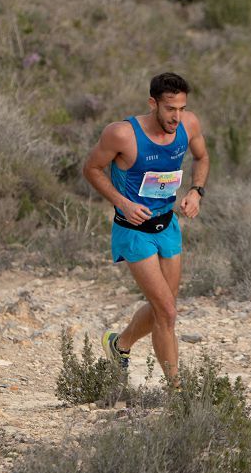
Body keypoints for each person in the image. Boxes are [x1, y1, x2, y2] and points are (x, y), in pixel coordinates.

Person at [82, 72, 209, 384]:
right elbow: (92, 169)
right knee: (166, 312)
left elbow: (202, 157)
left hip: (168, 225)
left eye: (181, 108)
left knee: (163, 308)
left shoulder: (189, 124)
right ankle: (176, 391)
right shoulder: (122, 134)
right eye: (170, 109)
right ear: (153, 103)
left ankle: (119, 344)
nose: (177, 117)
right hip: (134, 230)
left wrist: (196, 191)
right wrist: (121, 202)